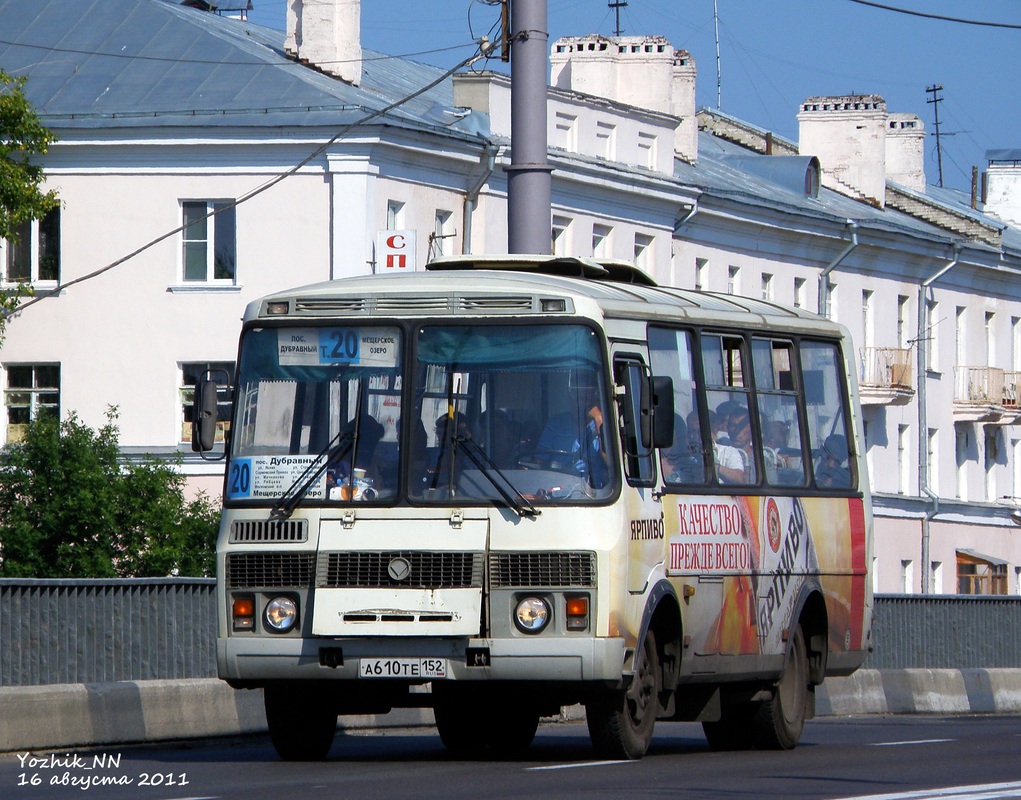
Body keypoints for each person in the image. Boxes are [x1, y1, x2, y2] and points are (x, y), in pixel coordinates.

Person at [535, 385, 609, 488]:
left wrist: (599, 418)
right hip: (559, 494)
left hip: (596, 497)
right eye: (576, 397)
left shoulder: (602, 426)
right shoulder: (555, 425)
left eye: (585, 398)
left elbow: (610, 463)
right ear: (570, 398)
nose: (580, 403)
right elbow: (539, 463)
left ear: (593, 401)